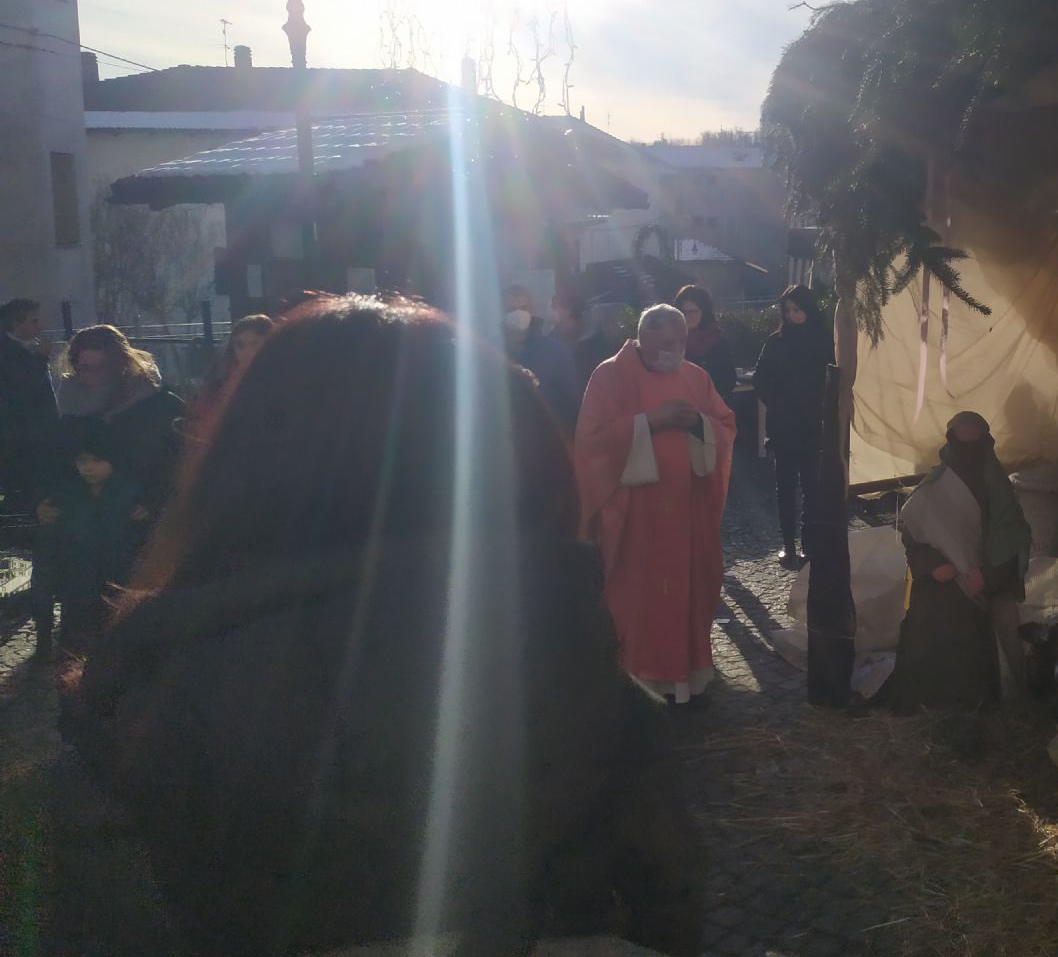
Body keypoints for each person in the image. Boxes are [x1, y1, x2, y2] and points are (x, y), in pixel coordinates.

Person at [59, 295, 704, 957]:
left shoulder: (139, 713)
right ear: (515, 463)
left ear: (243, 463)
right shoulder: (594, 696)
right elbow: (666, 901)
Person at [574, 304, 736, 707]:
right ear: (643, 337)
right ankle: (637, 680)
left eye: (681, 342)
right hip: (636, 515)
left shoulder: (695, 377)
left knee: (689, 592)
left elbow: (725, 425)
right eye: (667, 344)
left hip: (688, 512)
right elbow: (591, 443)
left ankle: (687, 680)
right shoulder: (609, 376)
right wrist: (650, 421)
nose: (675, 351)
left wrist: (698, 424)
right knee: (635, 596)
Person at [889, 411, 1032, 713]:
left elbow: (1015, 544)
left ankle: (979, 701)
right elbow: (913, 537)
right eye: (961, 442)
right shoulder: (935, 485)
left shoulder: (1000, 492)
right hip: (943, 582)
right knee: (928, 619)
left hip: (988, 586)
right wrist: (934, 564)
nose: (968, 452)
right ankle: (928, 699)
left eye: (974, 443)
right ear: (950, 443)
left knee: (989, 633)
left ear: (986, 443)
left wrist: (989, 576)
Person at [30, 425, 147, 658]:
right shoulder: (62, 499)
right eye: (82, 461)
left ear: (113, 460)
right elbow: (47, 555)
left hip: (119, 593)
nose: (88, 468)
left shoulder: (134, 496)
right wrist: (43, 630)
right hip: (76, 596)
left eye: (97, 460)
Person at [52, 325, 185, 520]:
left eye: (102, 367)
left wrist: (156, 499)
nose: (95, 375)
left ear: (121, 363)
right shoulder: (69, 403)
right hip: (84, 515)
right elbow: (58, 459)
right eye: (86, 368)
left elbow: (179, 458)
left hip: (140, 512)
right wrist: (48, 500)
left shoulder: (156, 403)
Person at [753, 285, 833, 570]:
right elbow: (761, 378)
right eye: (787, 310)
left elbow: (831, 377)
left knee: (811, 488)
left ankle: (809, 544)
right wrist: (778, 403)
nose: (791, 315)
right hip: (784, 425)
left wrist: (820, 407)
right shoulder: (776, 341)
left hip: (811, 424)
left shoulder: (823, 340)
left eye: (796, 310)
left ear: (807, 309)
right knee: (785, 488)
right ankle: (788, 545)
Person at [0, 297, 60, 514]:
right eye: (34, 321)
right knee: (25, 489)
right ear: (16, 323)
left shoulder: (18, 349)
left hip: (28, 432)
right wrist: (40, 359)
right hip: (21, 434)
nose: (40, 327)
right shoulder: (7, 352)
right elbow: (22, 387)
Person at [184, 314, 274, 452]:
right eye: (240, 345)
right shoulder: (219, 384)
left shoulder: (287, 381)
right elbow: (199, 425)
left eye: (255, 343)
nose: (248, 351)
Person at [505, 283, 582, 432]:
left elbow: (572, 401)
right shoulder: (488, 349)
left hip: (543, 437)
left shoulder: (555, 351)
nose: (517, 314)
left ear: (532, 311)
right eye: (511, 309)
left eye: (523, 308)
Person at [673, 285, 737, 401]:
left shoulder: (717, 341)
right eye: (683, 312)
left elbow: (728, 381)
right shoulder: (669, 341)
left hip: (709, 405)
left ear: (704, 312)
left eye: (693, 312)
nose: (687, 316)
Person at [552, 288, 620, 391]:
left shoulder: (590, 343)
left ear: (568, 310)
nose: (550, 311)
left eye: (553, 307)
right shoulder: (552, 338)